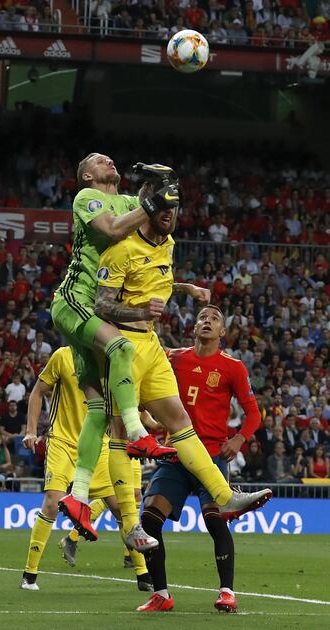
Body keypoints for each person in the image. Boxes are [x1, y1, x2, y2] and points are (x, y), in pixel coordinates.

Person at [94, 193, 272, 542]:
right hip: (123, 343)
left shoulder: (168, 245)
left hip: (152, 344)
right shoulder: (120, 249)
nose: (170, 216)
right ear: (145, 210)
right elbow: (102, 305)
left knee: (179, 422)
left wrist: (185, 288)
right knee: (120, 430)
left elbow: (153, 283)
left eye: (174, 210)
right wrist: (142, 312)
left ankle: (225, 495)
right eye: (162, 208)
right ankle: (130, 525)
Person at [41, 155, 179, 548]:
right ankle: (137, 432)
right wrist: (153, 202)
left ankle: (80, 496)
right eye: (100, 159)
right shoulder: (88, 196)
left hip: (95, 310)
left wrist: (162, 188)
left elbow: (152, 229)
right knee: (119, 346)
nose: (109, 160)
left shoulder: (129, 201)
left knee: (99, 409)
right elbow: (115, 230)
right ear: (87, 174)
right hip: (77, 300)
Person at [132, 305, 264, 613]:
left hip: (211, 455)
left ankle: (227, 592)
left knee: (215, 520)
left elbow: (254, 413)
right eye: (202, 317)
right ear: (194, 328)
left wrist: (240, 438)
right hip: (175, 452)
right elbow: (145, 386)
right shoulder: (173, 358)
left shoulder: (233, 367)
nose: (207, 321)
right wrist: (145, 419)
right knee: (149, 519)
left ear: (222, 333)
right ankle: (161, 594)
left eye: (215, 318)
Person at [20, 346, 152, 592]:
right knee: (51, 502)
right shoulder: (62, 356)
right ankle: (30, 574)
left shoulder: (110, 360)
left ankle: (144, 574)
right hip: (63, 442)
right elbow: (38, 392)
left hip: (98, 446)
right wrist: (31, 430)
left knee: (122, 509)